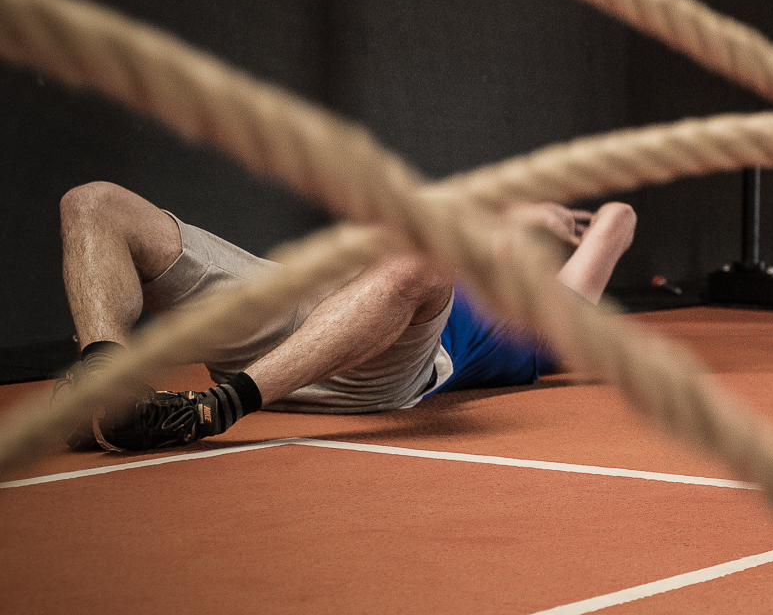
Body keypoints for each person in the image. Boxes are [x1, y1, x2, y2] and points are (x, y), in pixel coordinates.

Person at [53, 181, 636, 452]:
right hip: (293, 306)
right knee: (93, 203)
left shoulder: (539, 318)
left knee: (424, 261)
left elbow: (618, 221)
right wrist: (529, 213)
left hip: (368, 371)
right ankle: (106, 384)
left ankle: (213, 410)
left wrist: (595, 223)